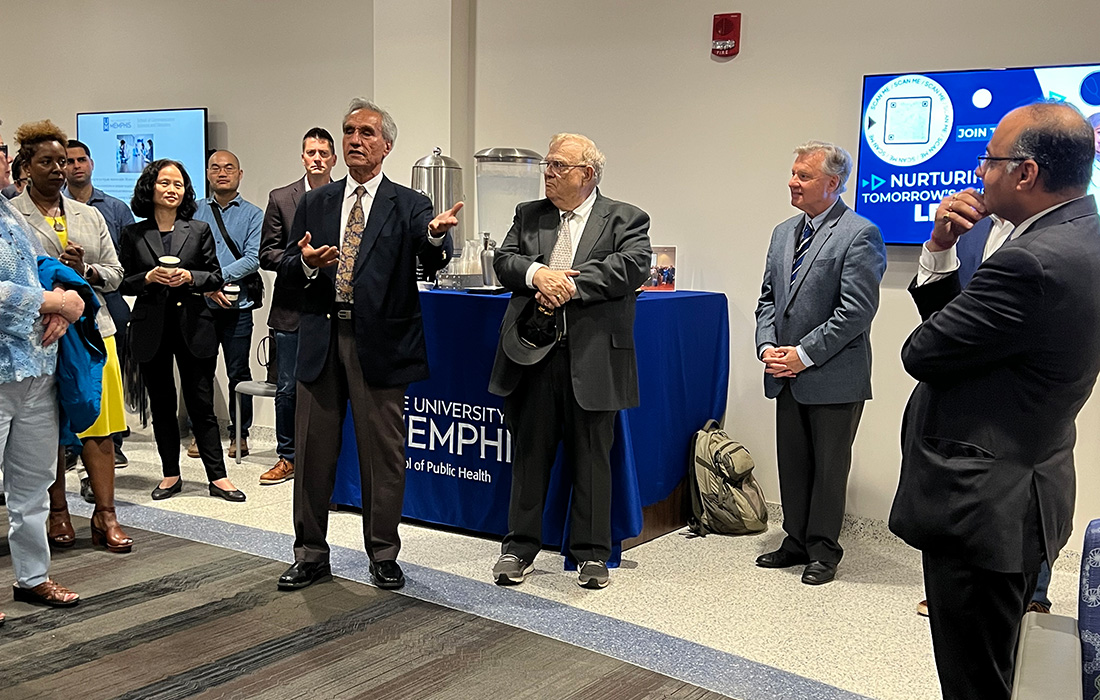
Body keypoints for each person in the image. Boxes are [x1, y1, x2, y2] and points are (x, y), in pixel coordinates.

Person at [890, 102, 1100, 700]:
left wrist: (943, 270)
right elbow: (971, 342)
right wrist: (941, 248)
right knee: (997, 667)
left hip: (981, 502)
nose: (979, 172)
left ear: (1026, 173)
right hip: (1029, 486)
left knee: (974, 682)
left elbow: (924, 353)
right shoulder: (1083, 237)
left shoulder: (1028, 262)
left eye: (989, 159)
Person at [275, 98, 458, 592]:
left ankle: (382, 554)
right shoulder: (316, 201)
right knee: (312, 453)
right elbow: (289, 268)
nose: (355, 140)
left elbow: (432, 256)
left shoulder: (410, 204)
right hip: (321, 337)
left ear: (387, 146)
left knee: (383, 456)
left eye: (367, 133)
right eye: (349, 131)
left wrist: (435, 238)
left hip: (380, 343)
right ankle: (310, 554)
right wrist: (307, 262)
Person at [488, 133, 652, 590]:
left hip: (594, 359)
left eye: (559, 165)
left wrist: (570, 284)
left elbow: (632, 266)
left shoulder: (625, 217)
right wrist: (538, 273)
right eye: (548, 164)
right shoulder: (529, 214)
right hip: (532, 355)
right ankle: (518, 548)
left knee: (592, 459)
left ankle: (592, 554)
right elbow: (505, 261)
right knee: (529, 456)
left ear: (588, 174)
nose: (549, 172)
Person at [753, 141, 886, 586]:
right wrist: (767, 347)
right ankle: (795, 540)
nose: (792, 182)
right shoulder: (782, 233)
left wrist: (802, 356)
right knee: (793, 464)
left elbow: (855, 313)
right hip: (785, 372)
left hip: (833, 375)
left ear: (832, 183)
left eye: (803, 176)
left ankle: (824, 551)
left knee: (829, 469)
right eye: (793, 173)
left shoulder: (860, 233)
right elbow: (768, 299)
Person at [10, 121, 133, 553]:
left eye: (62, 161)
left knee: (99, 426)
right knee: (47, 429)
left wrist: (85, 271)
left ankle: (105, 515)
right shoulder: (12, 216)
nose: (58, 169)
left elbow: (116, 275)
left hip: (94, 333)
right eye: (47, 161)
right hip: (41, 337)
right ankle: (58, 512)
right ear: (26, 166)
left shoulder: (89, 215)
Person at [118, 159, 245, 503]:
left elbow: (214, 275)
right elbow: (124, 282)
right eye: (165, 183)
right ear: (150, 188)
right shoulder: (134, 234)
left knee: (201, 404)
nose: (172, 189)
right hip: (150, 328)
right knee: (162, 405)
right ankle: (170, 474)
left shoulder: (199, 229)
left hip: (194, 325)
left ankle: (218, 477)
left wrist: (190, 277)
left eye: (178, 184)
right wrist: (148, 278)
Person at [0, 186, 84, 612]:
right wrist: (54, 301)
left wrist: (61, 307)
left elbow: (38, 269)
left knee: (34, 484)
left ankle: (32, 577)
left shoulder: (10, 212)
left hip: (36, 367)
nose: (4, 161)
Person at [258, 127, 338, 486]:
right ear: (302, 157)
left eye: (323, 153)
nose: (317, 158)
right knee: (288, 387)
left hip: (335, 307)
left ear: (333, 159)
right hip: (291, 307)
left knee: (332, 385)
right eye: (311, 152)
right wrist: (304, 262)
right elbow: (267, 254)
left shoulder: (346, 197)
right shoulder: (281, 198)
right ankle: (287, 456)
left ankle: (330, 458)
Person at [63, 139, 136, 469]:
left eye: (81, 159)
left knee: (109, 374)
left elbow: (126, 260)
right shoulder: (50, 208)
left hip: (106, 296)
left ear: (91, 163)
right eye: (69, 161)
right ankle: (71, 445)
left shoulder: (115, 208)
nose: (76, 166)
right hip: (61, 305)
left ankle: (113, 441)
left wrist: (90, 271)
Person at [193, 150, 263, 460]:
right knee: (201, 372)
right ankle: (202, 434)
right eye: (215, 168)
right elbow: (188, 255)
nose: (222, 173)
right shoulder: (194, 212)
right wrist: (207, 287)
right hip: (202, 306)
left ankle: (240, 434)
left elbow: (253, 258)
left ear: (240, 174)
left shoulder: (254, 215)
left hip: (238, 307)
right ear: (208, 174)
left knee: (238, 372)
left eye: (229, 168)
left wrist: (215, 278)